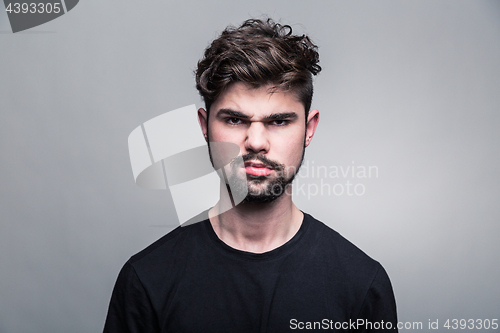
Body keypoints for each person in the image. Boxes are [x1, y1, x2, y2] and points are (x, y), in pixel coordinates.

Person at [103, 18, 398, 332]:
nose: (256, 142)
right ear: (204, 127)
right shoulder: (147, 280)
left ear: (309, 129)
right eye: (234, 120)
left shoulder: (361, 285)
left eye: (279, 122)